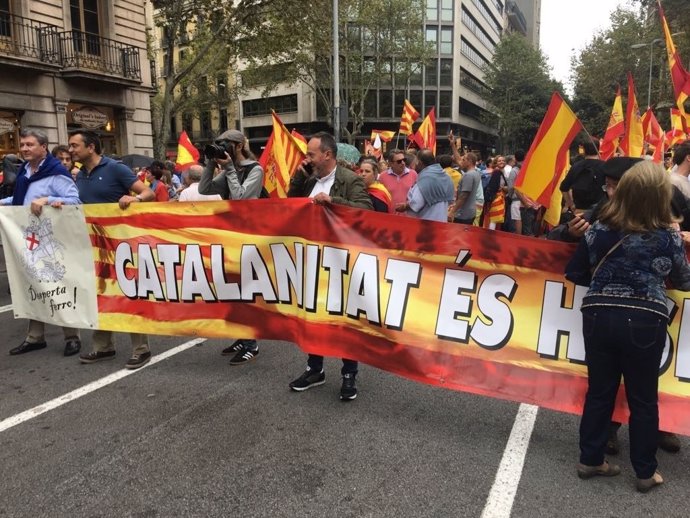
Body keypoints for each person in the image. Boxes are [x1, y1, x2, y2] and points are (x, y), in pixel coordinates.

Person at [565, 160, 690, 493]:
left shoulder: (598, 229)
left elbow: (575, 272)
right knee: (643, 398)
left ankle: (590, 459)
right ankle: (645, 471)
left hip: (597, 314)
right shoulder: (668, 237)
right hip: (645, 319)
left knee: (600, 392)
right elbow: (683, 280)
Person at [287, 131, 372, 401]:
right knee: (314, 316)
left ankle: (349, 374)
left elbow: (366, 212)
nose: (307, 157)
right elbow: (289, 206)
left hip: (342, 262)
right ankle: (315, 369)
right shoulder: (308, 179)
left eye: (311, 153)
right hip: (312, 261)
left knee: (346, 319)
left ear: (327, 154)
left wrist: (334, 202)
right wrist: (299, 177)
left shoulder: (350, 180)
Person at [68, 130, 156, 369]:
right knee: (99, 295)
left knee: (128, 294)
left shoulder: (116, 169)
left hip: (121, 247)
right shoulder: (79, 175)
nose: (71, 150)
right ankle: (103, 346)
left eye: (75, 145)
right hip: (93, 246)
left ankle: (141, 349)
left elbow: (149, 193)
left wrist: (134, 200)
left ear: (91, 147)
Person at [2, 129, 82, 357]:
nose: (24, 148)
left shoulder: (55, 172)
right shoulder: (25, 171)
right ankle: (35, 337)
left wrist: (48, 199)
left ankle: (72, 337)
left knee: (59, 286)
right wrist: (3, 202)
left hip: (52, 240)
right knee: (30, 286)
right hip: (27, 240)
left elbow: (75, 200)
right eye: (23, 144)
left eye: (29, 145)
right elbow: (22, 200)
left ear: (43, 147)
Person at [199, 129, 265, 365]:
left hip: (249, 239)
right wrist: (209, 163)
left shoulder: (255, 169)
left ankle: (251, 344)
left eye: (225, 145)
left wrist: (228, 169)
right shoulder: (231, 169)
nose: (223, 149)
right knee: (231, 289)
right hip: (229, 235)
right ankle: (242, 336)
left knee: (245, 291)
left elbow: (240, 200)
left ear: (238, 146)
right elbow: (204, 189)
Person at [403, 148, 454, 222]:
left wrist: (404, 206)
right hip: (442, 223)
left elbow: (416, 204)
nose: (415, 165)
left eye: (416, 162)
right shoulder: (446, 176)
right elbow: (450, 201)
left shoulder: (425, 179)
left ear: (420, 163)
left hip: (426, 224)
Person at [559, 140, 606, 213]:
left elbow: (563, 187)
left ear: (583, 150)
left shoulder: (576, 166)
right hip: (600, 212)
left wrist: (570, 204)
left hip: (580, 212)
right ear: (598, 149)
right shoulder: (605, 166)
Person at [378, 148, 417, 214]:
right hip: (390, 217)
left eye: (404, 160)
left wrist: (406, 205)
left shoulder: (413, 174)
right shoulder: (382, 177)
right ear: (391, 164)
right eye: (399, 161)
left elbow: (417, 197)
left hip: (409, 218)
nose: (403, 163)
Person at [449, 152, 480, 225]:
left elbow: (464, 196)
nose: (461, 162)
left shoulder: (468, 175)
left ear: (469, 162)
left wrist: (452, 211)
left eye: (463, 160)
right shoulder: (476, 173)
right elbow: (458, 160)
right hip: (469, 212)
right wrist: (453, 145)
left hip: (463, 214)